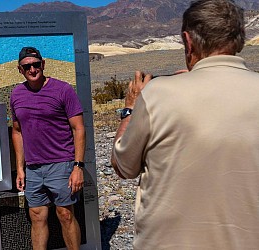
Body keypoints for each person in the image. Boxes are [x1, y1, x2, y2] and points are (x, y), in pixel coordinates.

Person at [111, 0, 259, 249]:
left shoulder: (158, 94)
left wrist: (131, 108)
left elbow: (123, 166)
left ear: (188, 41)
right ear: (240, 41)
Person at [10, 47, 85, 250]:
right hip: (33, 168)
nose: (32, 69)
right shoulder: (16, 94)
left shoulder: (63, 90)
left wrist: (78, 166)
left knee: (65, 214)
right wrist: (20, 168)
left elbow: (78, 128)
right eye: (27, 66)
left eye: (36, 64)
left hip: (61, 163)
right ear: (20, 69)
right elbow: (17, 132)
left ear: (43, 64)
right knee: (36, 216)